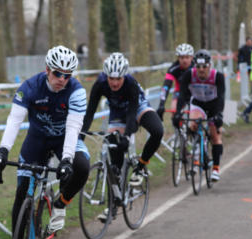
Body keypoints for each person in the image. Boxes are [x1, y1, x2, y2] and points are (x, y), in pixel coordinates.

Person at [0, 45, 90, 239]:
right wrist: (3, 150)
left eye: (67, 75)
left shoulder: (77, 91)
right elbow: (14, 120)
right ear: (47, 69)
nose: (62, 79)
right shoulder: (30, 87)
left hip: (65, 139)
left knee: (82, 167)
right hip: (37, 141)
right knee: (22, 191)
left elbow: (74, 127)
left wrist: (66, 160)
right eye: (57, 73)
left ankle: (61, 203)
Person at [82, 52, 164, 187]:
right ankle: (116, 185)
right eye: (111, 78)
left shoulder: (130, 83)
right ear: (106, 76)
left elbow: (132, 114)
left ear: (124, 75)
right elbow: (90, 112)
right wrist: (82, 134)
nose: (114, 83)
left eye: (118, 78)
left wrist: (127, 135)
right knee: (113, 144)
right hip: (118, 110)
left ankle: (140, 167)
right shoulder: (100, 83)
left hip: (137, 107)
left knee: (157, 131)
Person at [172, 49, 225, 182]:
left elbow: (221, 97)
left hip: (214, 105)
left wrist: (219, 115)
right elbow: (183, 95)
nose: (201, 70)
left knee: (215, 136)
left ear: (210, 65)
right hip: (198, 103)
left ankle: (216, 168)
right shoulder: (189, 75)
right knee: (193, 124)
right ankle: (199, 149)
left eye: (204, 66)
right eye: (198, 66)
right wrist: (178, 113)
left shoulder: (217, 76)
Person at [156, 43, 195, 121]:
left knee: (195, 115)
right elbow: (166, 87)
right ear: (178, 58)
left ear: (192, 57)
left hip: (195, 92)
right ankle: (179, 130)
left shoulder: (197, 67)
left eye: (187, 57)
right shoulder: (173, 69)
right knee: (174, 110)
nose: (184, 60)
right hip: (179, 92)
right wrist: (161, 104)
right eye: (182, 57)